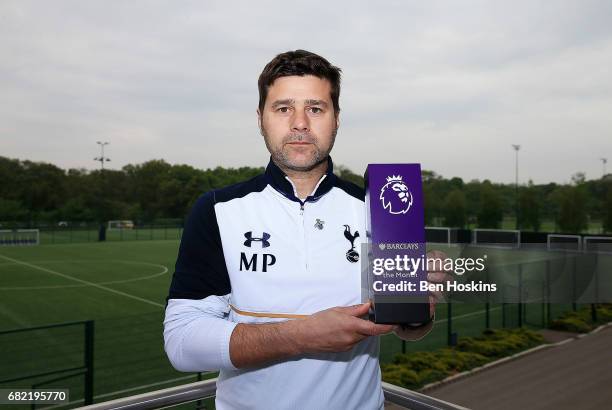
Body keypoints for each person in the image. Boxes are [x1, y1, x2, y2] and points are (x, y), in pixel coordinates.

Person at [164, 49, 444, 410]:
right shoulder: (217, 210)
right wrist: (299, 336)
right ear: (260, 118)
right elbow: (182, 343)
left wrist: (421, 307)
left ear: (336, 119)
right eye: (283, 108)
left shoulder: (381, 211)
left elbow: (411, 327)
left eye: (315, 108)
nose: (299, 123)